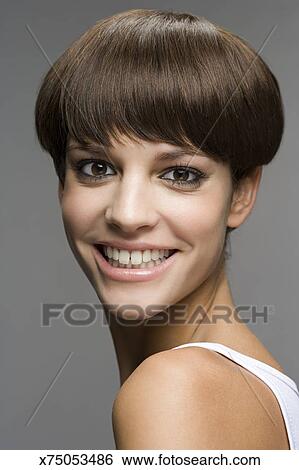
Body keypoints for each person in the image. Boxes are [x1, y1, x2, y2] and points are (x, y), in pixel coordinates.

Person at [34, 8, 299, 449]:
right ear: (63, 182)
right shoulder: (259, 392)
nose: (127, 213)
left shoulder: (175, 390)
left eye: (180, 174)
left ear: (241, 194)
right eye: (96, 167)